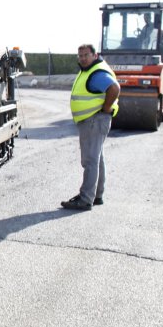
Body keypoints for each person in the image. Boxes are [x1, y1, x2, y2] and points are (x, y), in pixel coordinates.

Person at [62, 44, 120, 211]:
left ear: (95, 55)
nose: (82, 58)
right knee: (97, 158)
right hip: (94, 120)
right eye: (80, 55)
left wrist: (106, 108)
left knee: (90, 160)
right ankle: (96, 195)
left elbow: (114, 88)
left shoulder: (96, 73)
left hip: (94, 120)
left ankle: (86, 199)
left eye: (86, 55)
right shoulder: (89, 70)